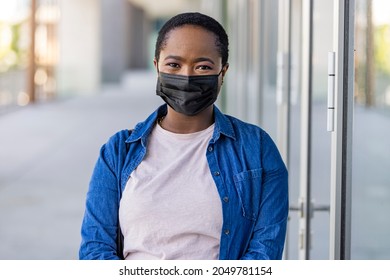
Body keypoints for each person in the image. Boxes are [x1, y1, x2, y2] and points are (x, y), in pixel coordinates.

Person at [79, 12, 288, 260]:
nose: (187, 76)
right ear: (157, 66)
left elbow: (264, 253)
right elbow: (95, 249)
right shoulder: (117, 152)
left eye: (203, 66)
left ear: (223, 72)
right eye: (174, 64)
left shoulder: (257, 148)